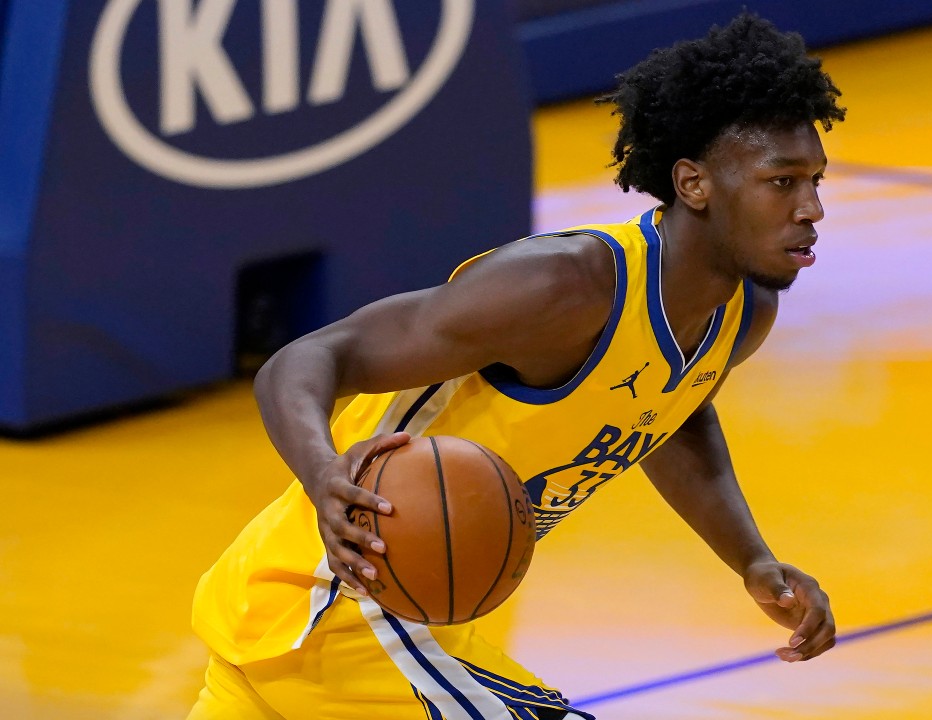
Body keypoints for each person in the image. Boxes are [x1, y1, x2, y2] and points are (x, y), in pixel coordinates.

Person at [188, 12, 846, 719]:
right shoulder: (560, 287)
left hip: (360, 622)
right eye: (782, 183)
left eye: (815, 180)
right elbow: (309, 357)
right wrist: (323, 473)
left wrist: (751, 559)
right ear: (693, 184)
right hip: (340, 609)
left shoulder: (740, 317)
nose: (811, 208)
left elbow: (672, 415)